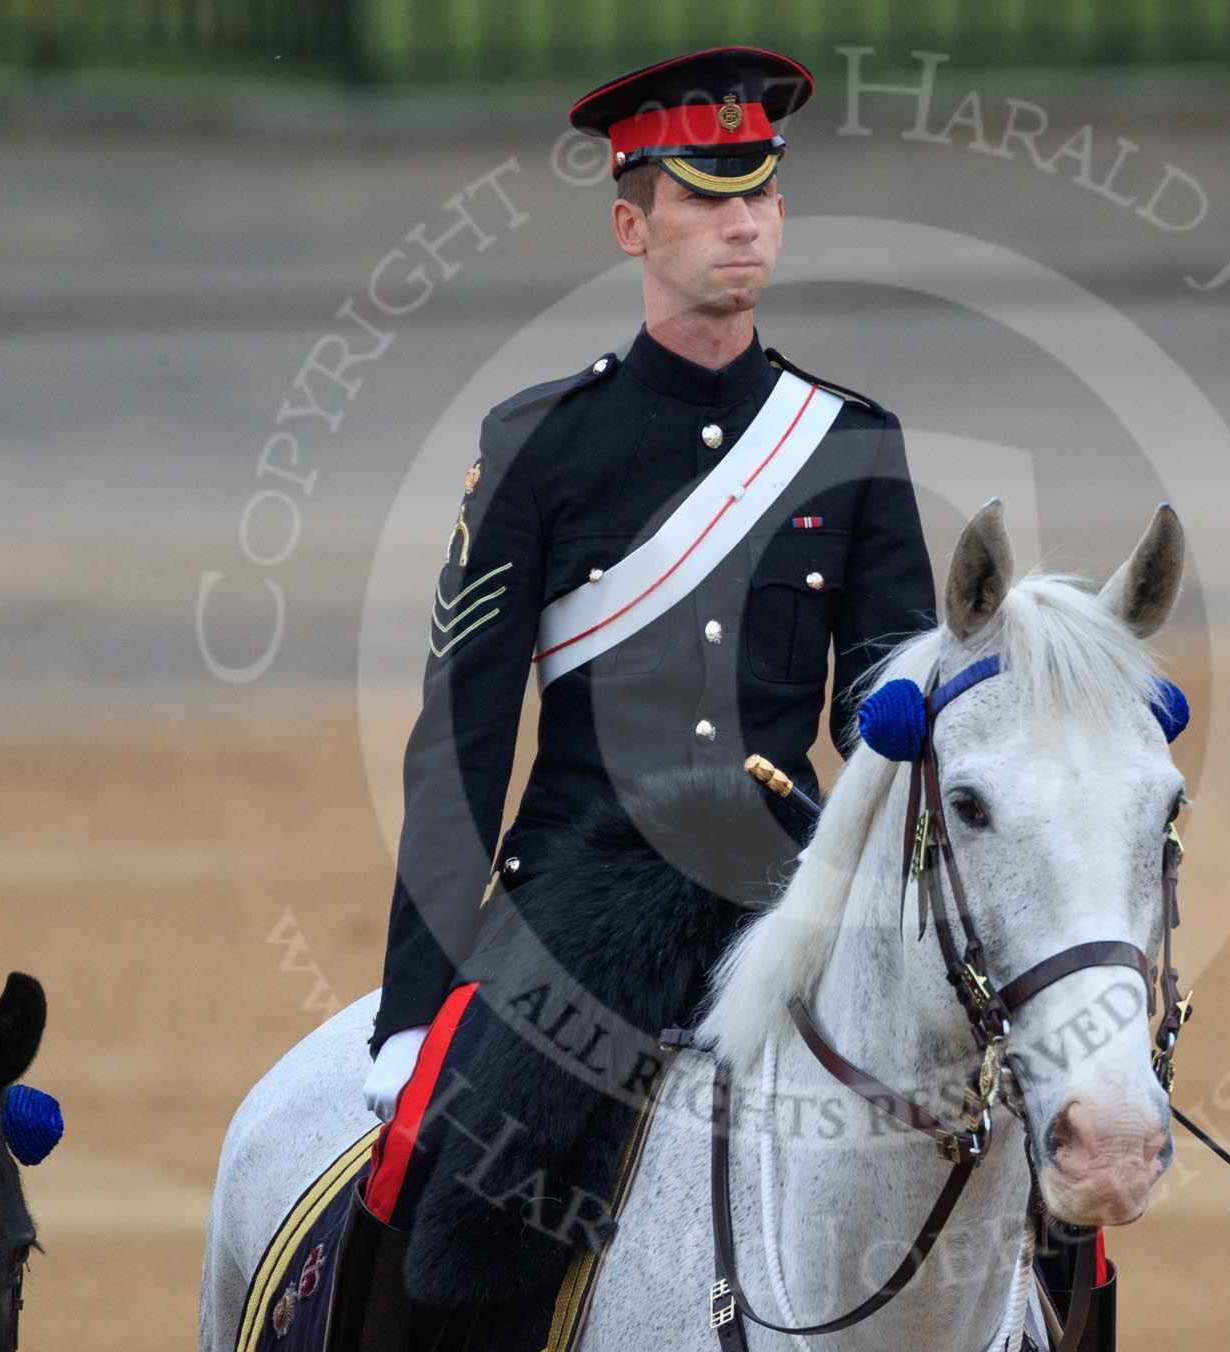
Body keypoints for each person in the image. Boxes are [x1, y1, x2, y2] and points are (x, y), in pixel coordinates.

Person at [321, 47, 939, 1350]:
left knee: (1007, 1144)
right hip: (573, 904)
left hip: (785, 887)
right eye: (706, 196)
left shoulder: (851, 444)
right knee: (456, 1196)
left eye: (759, 196)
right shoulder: (538, 449)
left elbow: (892, 721)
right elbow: (464, 746)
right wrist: (409, 1009)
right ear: (631, 222)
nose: (740, 222)